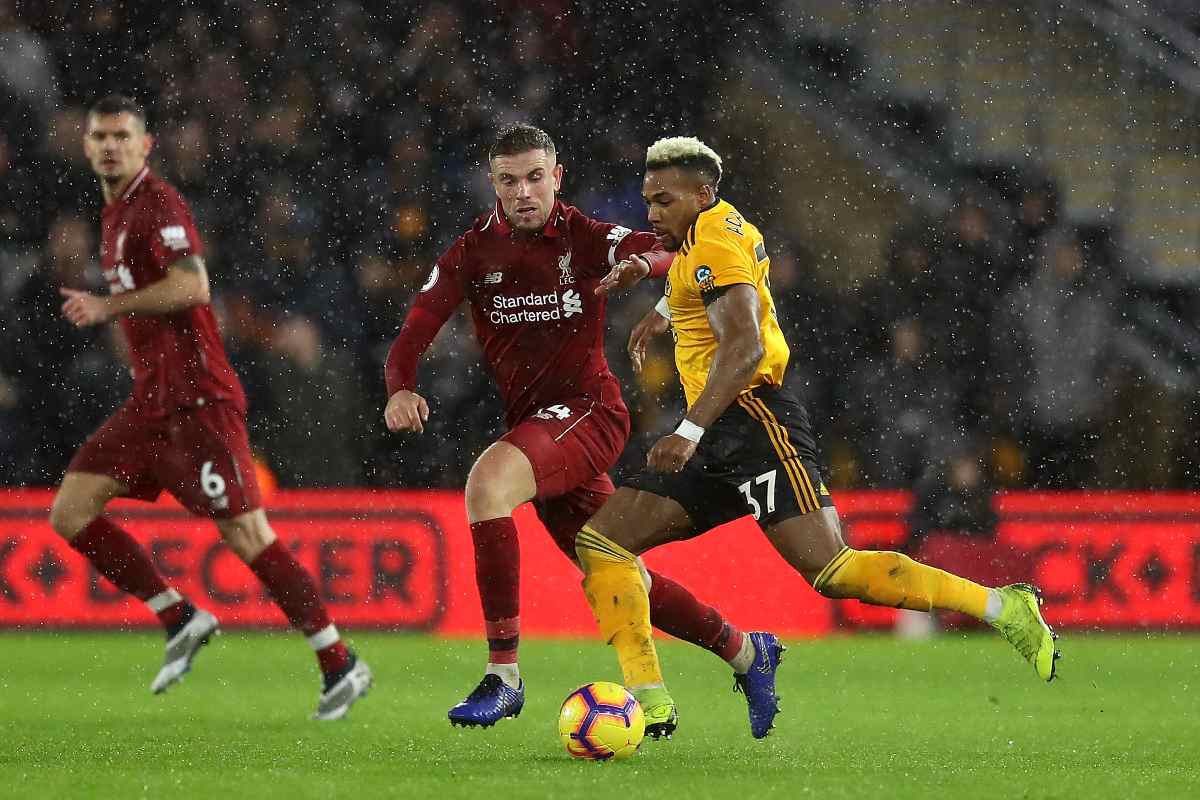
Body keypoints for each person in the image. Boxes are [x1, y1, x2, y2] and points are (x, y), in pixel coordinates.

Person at [574, 136, 1062, 739]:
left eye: (663, 201)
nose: (651, 214)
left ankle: (1004, 606)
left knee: (834, 571)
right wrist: (668, 306)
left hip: (753, 423)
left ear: (702, 195)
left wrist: (688, 429)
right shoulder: (715, 230)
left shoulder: (717, 244)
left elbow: (745, 345)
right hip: (721, 432)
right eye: (648, 201)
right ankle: (651, 701)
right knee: (602, 543)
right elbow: (697, 271)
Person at [384, 123, 779, 735]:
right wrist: (400, 385)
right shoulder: (470, 253)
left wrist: (645, 262)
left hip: (591, 410)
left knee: (487, 485)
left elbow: (681, 244)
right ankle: (746, 651)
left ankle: (504, 676)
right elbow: (417, 323)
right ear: (493, 183)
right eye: (509, 180)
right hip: (540, 430)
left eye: (536, 177)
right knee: (614, 565)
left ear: (557, 177)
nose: (524, 192)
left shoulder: (586, 235)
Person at [49, 94, 371, 720]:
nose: (110, 145)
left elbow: (194, 284)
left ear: (146, 146)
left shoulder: (158, 203)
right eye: (100, 136)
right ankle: (180, 616)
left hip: (199, 402)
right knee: (70, 510)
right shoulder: (112, 213)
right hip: (152, 403)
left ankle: (340, 661)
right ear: (87, 146)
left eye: (122, 136)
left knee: (247, 534)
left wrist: (109, 307)